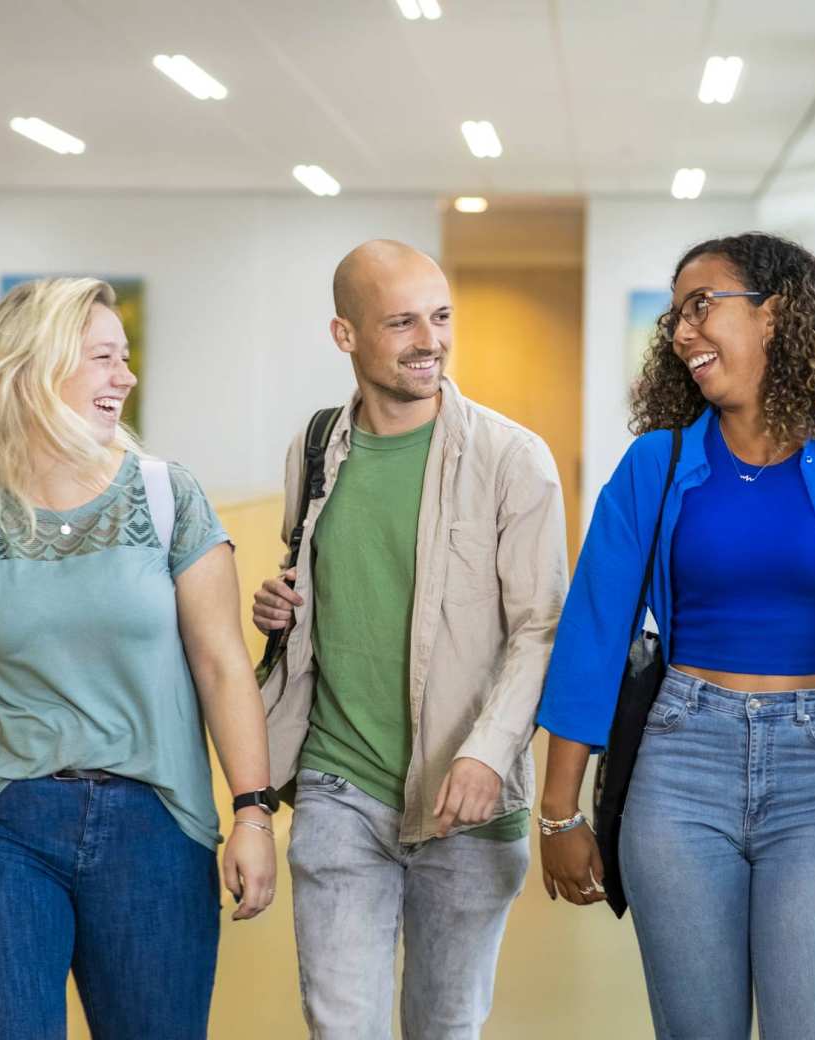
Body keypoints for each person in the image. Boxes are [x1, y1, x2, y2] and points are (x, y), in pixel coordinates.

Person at [537, 232, 815, 1039]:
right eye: (676, 316)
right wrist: (559, 813)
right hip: (682, 762)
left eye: (702, 306)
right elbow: (592, 631)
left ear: (774, 315)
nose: (682, 330)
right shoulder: (655, 464)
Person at [0, 278, 277, 1040]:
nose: (125, 378)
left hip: (155, 825)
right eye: (105, 358)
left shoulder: (170, 497)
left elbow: (222, 665)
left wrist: (253, 813)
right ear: (35, 372)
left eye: (126, 358)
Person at [251, 239, 568, 1038]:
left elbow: (542, 628)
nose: (430, 340)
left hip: (467, 801)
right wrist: (284, 606)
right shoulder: (315, 447)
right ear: (345, 335)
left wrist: (488, 751)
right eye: (401, 322)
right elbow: (324, 576)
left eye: (440, 316)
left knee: (445, 1025)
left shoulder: (512, 459)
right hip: (338, 785)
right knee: (340, 1026)